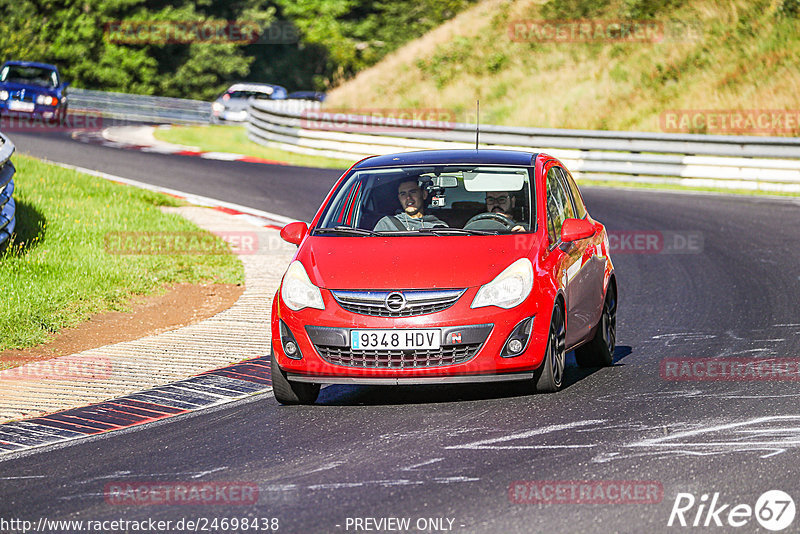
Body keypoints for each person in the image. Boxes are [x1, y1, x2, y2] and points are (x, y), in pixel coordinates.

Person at [373, 179, 447, 231]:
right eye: (403, 194)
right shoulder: (386, 224)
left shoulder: (439, 226)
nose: (408, 197)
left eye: (413, 192)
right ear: (399, 198)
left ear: (424, 195)